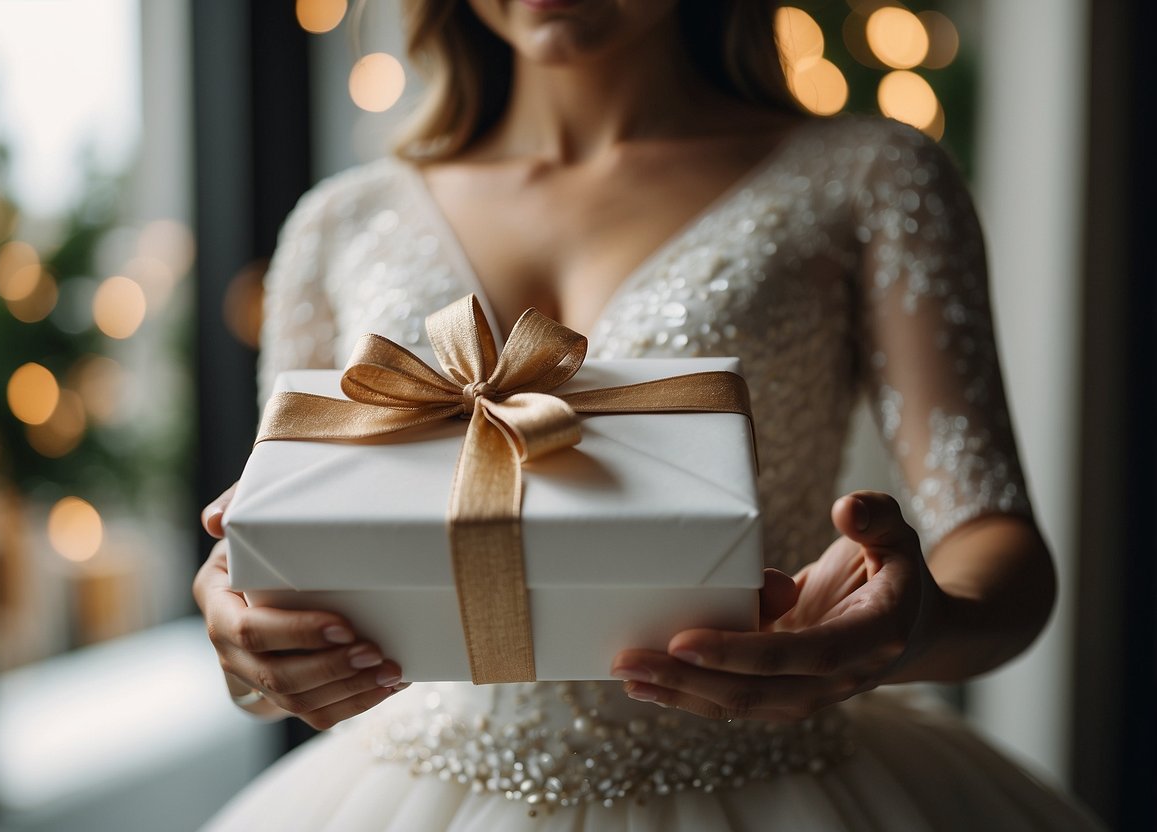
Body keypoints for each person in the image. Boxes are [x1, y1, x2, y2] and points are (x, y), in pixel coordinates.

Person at [195, 1, 1103, 828]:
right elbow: (275, 540)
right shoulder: (341, 223)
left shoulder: (873, 179)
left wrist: (911, 628)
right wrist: (243, 634)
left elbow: (1001, 555)